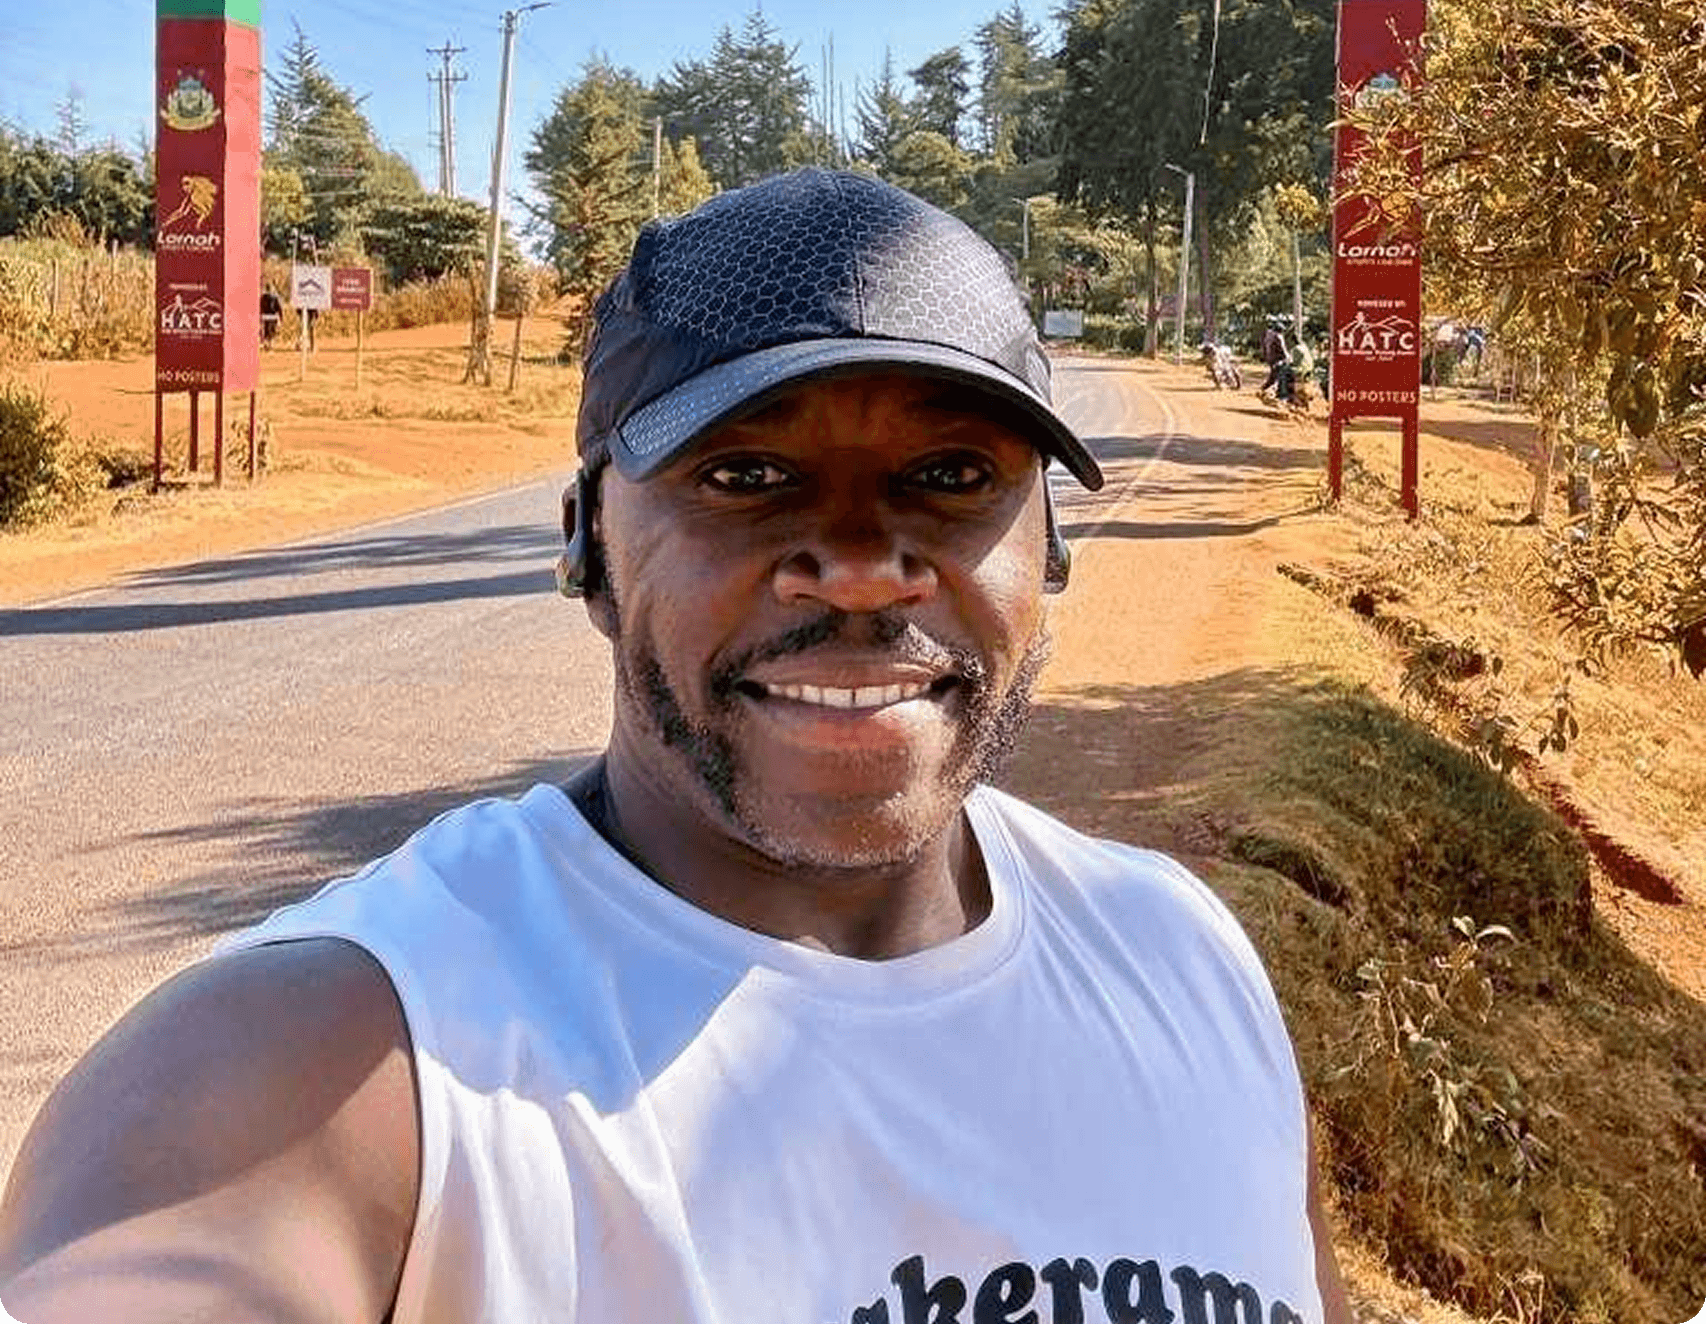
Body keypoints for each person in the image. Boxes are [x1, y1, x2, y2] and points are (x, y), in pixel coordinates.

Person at [0, 169, 1353, 1324]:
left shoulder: (1188, 962)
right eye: (747, 476)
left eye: (950, 476)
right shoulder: (328, 1070)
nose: (865, 568)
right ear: (588, 546)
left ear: (1044, 547)